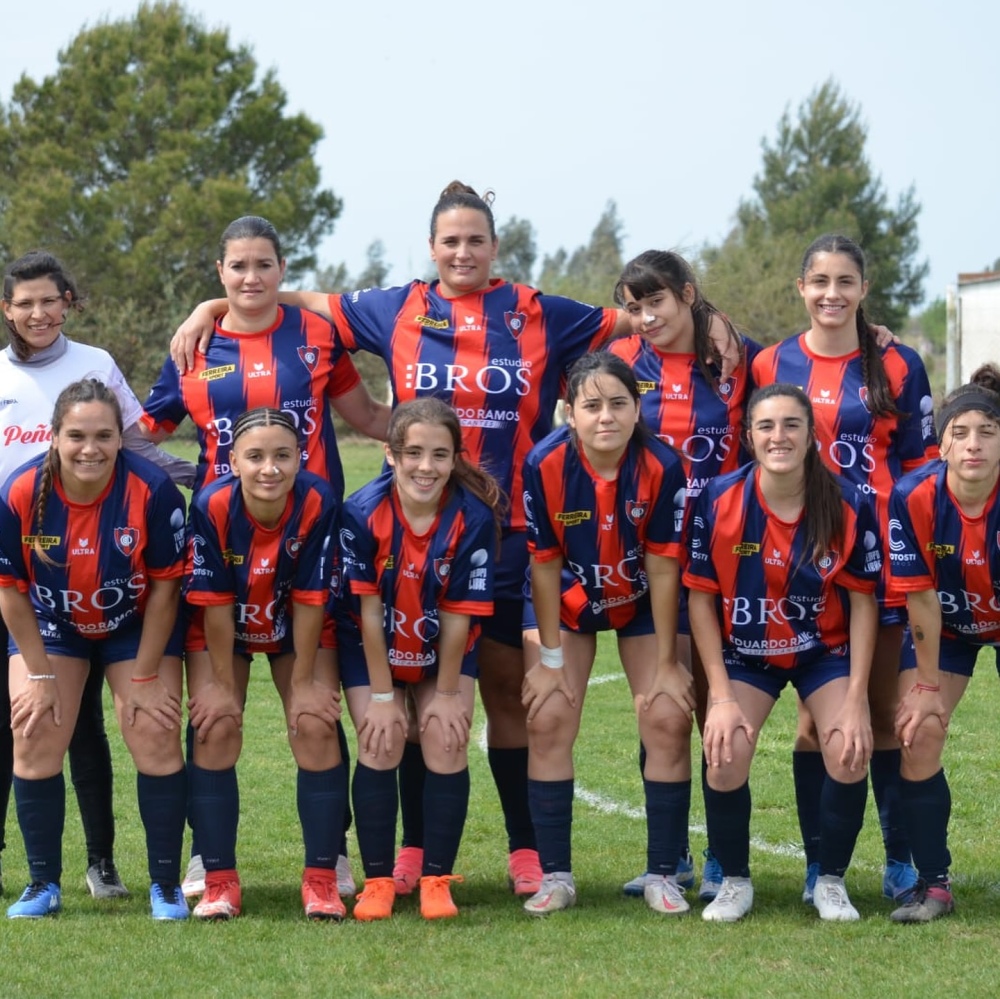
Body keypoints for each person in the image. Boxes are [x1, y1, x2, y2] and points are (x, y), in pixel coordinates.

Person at [143, 215, 387, 896]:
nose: (250, 278)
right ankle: (207, 856)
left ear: (283, 269)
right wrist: (185, 477)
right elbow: (145, 432)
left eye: (263, 265)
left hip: (309, 543)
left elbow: (368, 417)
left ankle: (329, 853)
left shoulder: (316, 334)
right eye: (237, 267)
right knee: (216, 710)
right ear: (219, 273)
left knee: (313, 711)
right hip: (221, 544)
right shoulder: (194, 342)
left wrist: (442, 443)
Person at [0, 250, 194, 900]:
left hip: (130, 617)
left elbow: (167, 586)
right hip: (43, 603)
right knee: (31, 722)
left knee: (153, 726)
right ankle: (40, 882)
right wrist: (42, 670)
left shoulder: (146, 483)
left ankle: (158, 881)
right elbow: (13, 594)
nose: (90, 446)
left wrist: (142, 674)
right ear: (52, 437)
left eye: (102, 435)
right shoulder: (21, 490)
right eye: (75, 436)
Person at [751, 234, 936, 903]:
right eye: (820, 281)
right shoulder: (771, 360)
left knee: (880, 711)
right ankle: (818, 864)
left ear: (863, 289)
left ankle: (898, 857)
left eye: (846, 282)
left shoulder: (898, 362)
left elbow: (921, 468)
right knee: (810, 723)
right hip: (798, 564)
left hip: (882, 557)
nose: (832, 293)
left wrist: (922, 548)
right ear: (800, 288)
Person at [687, 383, 880, 922]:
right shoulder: (717, 499)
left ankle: (830, 880)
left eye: (792, 424)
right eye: (766, 426)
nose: (779, 436)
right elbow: (700, 601)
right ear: (749, 437)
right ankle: (734, 880)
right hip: (746, 654)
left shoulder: (847, 502)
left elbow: (864, 604)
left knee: (846, 746)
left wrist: (856, 698)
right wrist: (720, 696)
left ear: (811, 435)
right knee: (723, 752)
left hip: (824, 652)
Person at [609, 249, 760, 901]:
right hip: (650, 560)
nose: (645, 317)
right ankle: (667, 857)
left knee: (717, 712)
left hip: (729, 557)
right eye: (635, 306)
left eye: (657, 303)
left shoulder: (739, 357)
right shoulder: (623, 365)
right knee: (662, 710)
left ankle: (725, 859)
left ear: (688, 295)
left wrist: (874, 333)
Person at [519, 352, 691, 916]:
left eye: (619, 403)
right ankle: (555, 877)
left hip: (641, 601)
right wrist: (547, 657)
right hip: (569, 601)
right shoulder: (543, 463)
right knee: (547, 719)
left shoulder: (663, 465)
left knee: (667, 717)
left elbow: (665, 567)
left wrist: (668, 661)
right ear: (570, 412)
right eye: (592, 406)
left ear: (637, 407)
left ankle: (663, 873)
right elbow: (543, 566)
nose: (606, 416)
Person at [338, 398, 501, 920]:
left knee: (446, 739)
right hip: (372, 647)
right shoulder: (361, 512)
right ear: (390, 454)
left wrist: (448, 693)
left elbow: (459, 616)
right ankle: (379, 880)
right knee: (380, 741)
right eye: (413, 453)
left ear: (456, 459)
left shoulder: (473, 517)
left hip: (442, 650)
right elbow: (366, 612)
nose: (425, 466)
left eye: (439, 454)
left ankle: (436, 879)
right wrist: (384, 698)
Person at [184, 406, 346, 921]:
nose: (269, 468)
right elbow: (213, 604)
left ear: (300, 458)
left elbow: (311, 597)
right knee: (216, 726)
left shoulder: (318, 500)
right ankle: (218, 880)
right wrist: (223, 688)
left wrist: (302, 684)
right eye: (255, 456)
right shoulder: (211, 503)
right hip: (221, 627)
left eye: (282, 455)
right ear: (233, 460)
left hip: (296, 620)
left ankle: (323, 879)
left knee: (315, 723)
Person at [886, 365, 1000, 922]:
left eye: (988, 431)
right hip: (949, 626)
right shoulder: (913, 495)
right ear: (942, 442)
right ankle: (934, 885)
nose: (974, 444)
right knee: (918, 730)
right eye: (961, 432)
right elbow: (922, 599)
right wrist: (927, 686)